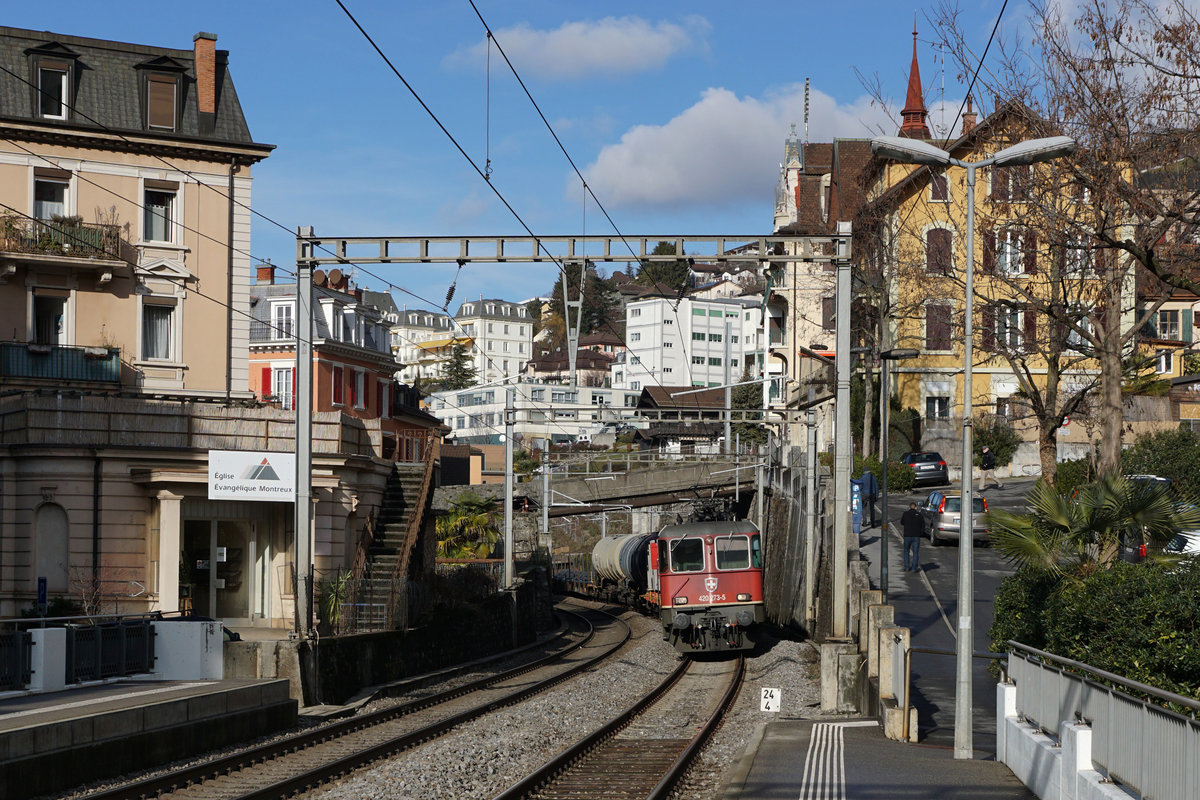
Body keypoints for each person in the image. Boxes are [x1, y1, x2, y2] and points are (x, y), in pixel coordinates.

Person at [900, 502, 925, 572]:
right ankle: (914, 568)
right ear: (916, 507)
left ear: (909, 507)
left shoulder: (905, 514)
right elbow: (923, 525)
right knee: (915, 553)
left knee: (906, 551)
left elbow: (902, 522)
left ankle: (907, 567)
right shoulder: (919, 515)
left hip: (907, 536)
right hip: (916, 536)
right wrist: (920, 533)